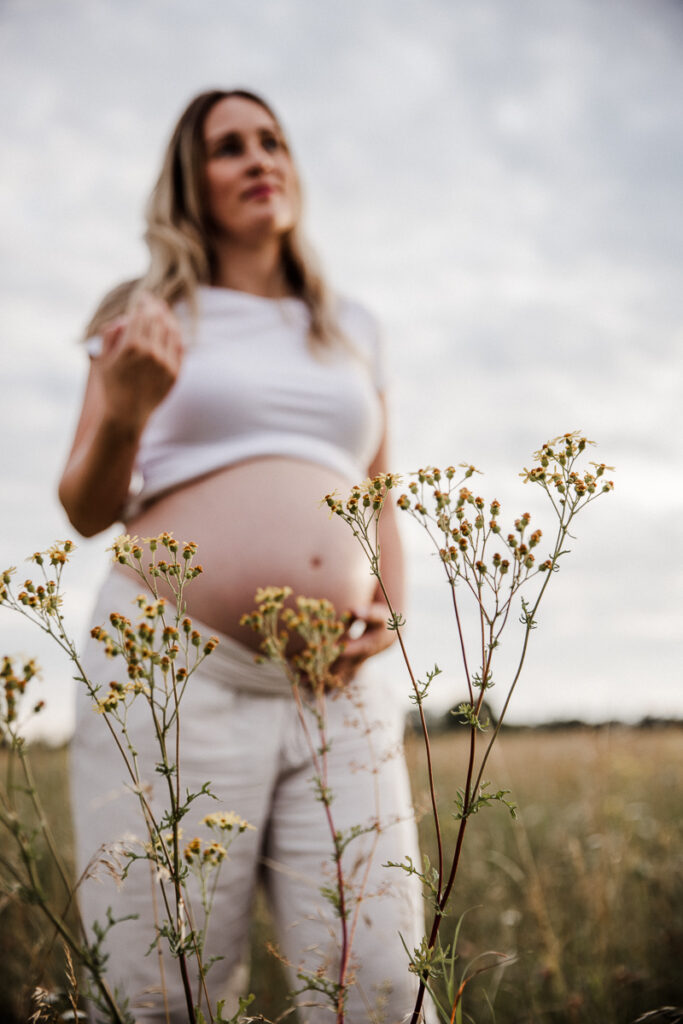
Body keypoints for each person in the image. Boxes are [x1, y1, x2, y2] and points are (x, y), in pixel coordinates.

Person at [60, 89, 428, 1023]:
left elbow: (376, 487)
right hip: (172, 672)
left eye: (272, 140)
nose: (258, 157)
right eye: (229, 147)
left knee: (379, 982)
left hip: (334, 688)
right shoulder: (145, 314)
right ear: (193, 181)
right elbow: (86, 505)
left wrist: (390, 606)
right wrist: (130, 410)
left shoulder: (351, 328)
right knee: (158, 989)